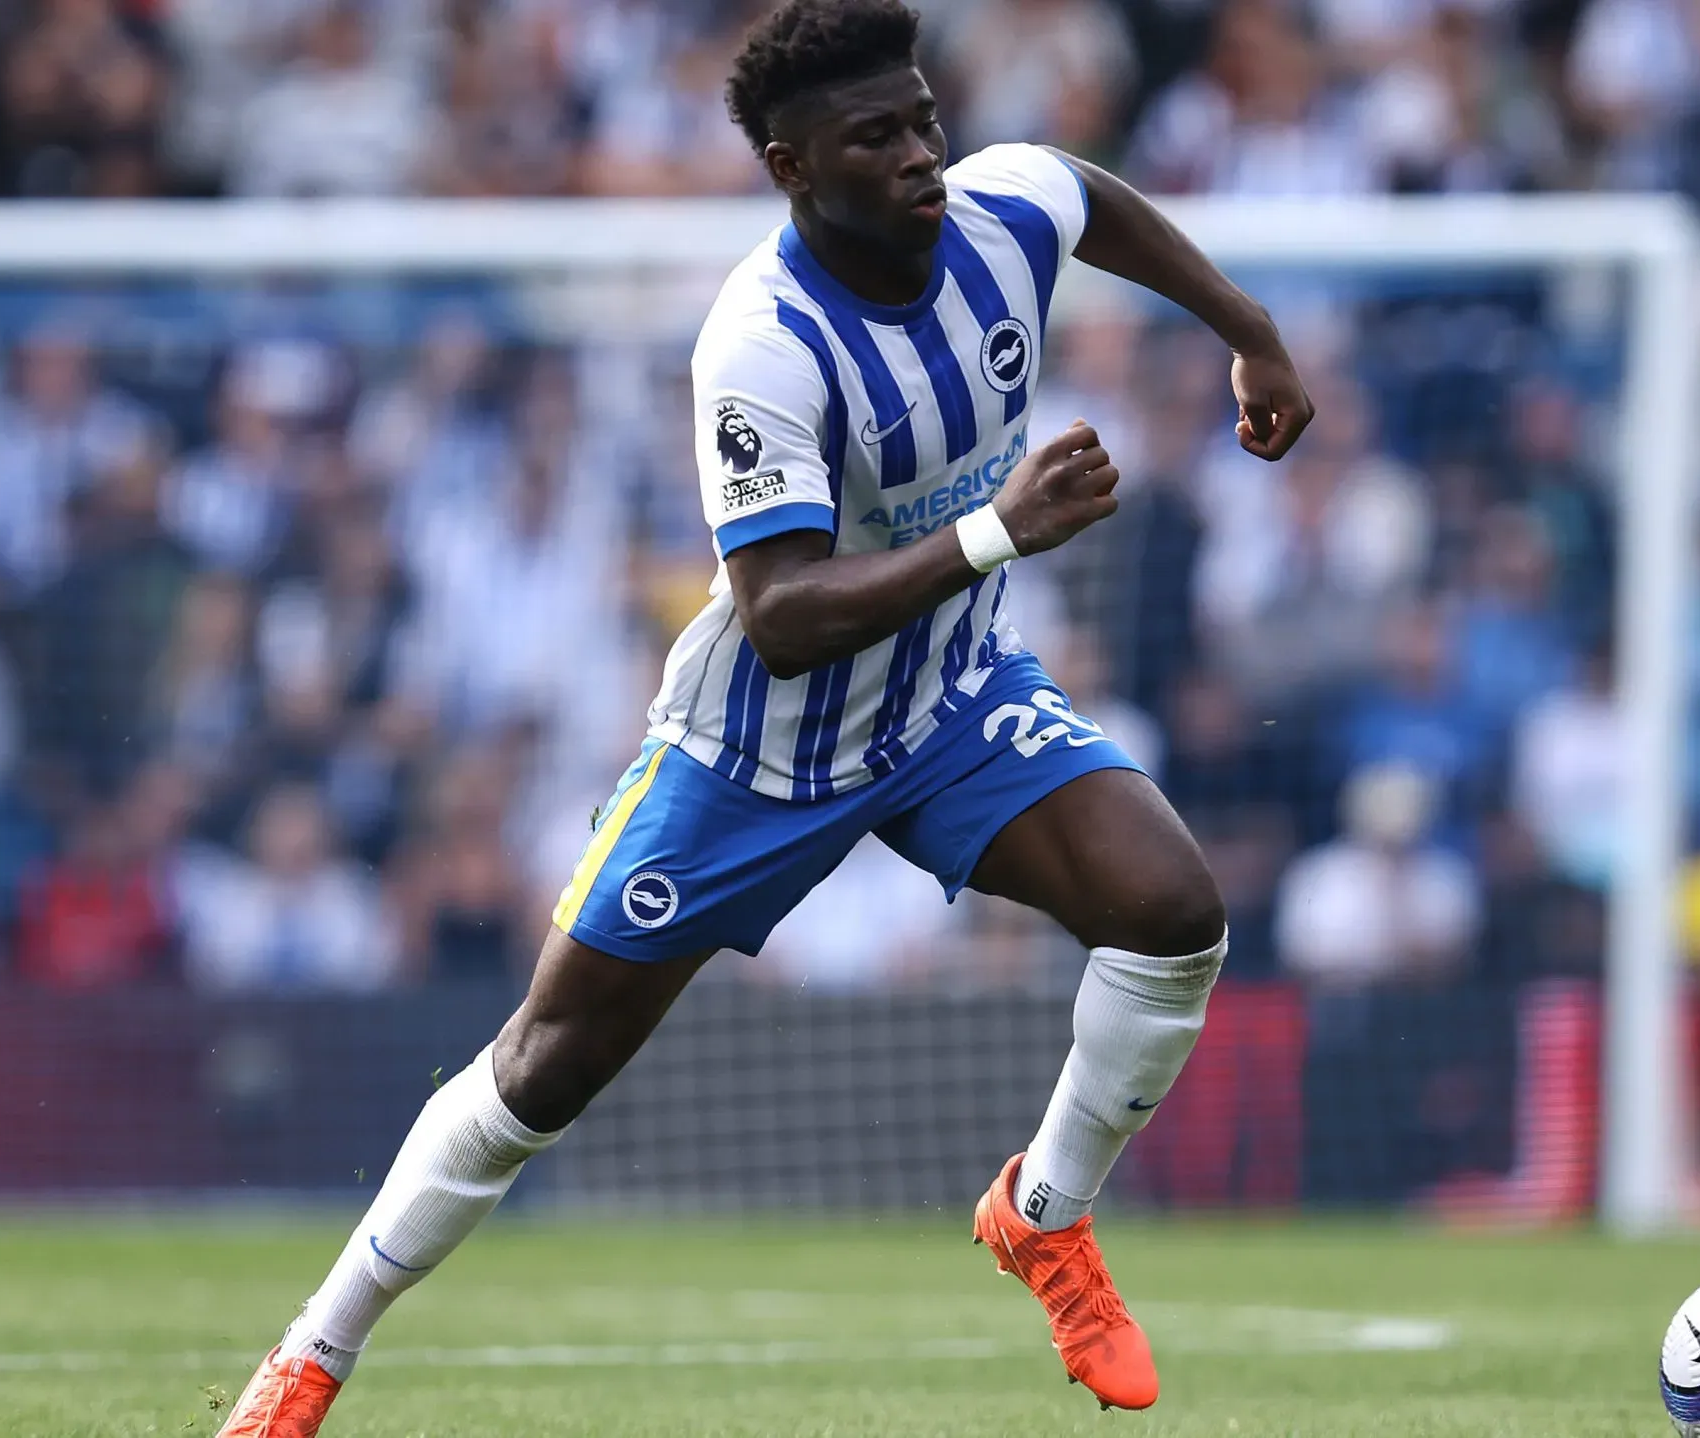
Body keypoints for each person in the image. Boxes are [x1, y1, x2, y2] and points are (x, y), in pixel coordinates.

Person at [212, 1, 1315, 1431]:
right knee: (544, 1069)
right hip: (759, 752)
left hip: (953, 700)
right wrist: (994, 531)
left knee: (1173, 909)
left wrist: (1253, 331)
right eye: (879, 138)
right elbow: (785, 610)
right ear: (795, 167)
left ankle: (1043, 1213)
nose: (924, 155)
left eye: (925, 118)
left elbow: (1090, 199)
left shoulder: (1000, 206)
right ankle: (311, 1353)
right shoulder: (762, 344)